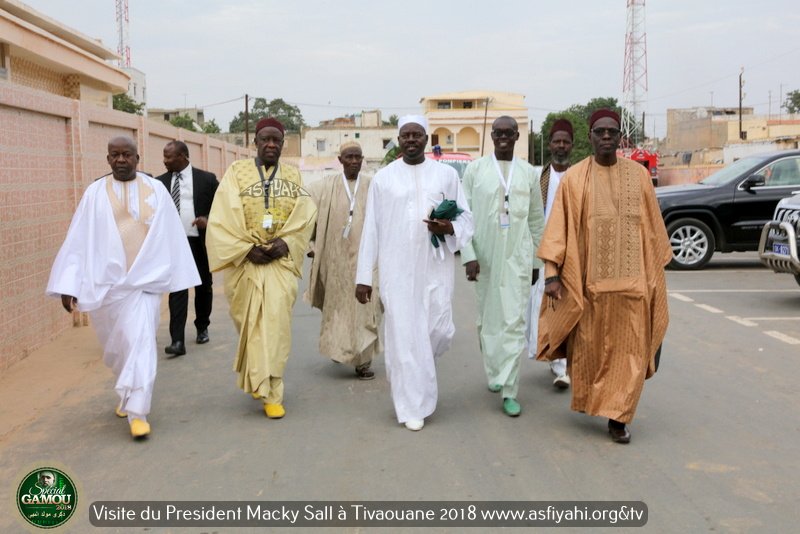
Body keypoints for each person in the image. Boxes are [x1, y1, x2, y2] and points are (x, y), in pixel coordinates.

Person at [47, 136, 200, 439]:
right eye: (114, 155)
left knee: (140, 342)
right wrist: (69, 283)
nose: (120, 160)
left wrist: (175, 276)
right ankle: (127, 392)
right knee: (117, 349)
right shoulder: (94, 194)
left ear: (137, 158)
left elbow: (171, 236)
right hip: (108, 287)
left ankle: (138, 412)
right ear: (107, 159)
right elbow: (78, 240)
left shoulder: (156, 190)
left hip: (144, 284)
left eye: (126, 154)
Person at [536, 109, 671, 444]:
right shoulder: (574, 179)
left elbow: (653, 232)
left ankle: (619, 418)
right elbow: (558, 230)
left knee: (630, 357)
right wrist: (552, 275)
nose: (607, 136)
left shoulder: (639, 177)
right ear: (591, 137)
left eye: (612, 131)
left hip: (633, 289)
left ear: (620, 136)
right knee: (591, 357)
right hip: (590, 290)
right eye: (600, 132)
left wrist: (654, 278)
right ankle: (597, 403)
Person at [355, 115, 474, 431]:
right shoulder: (383, 179)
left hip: (436, 267)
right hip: (397, 271)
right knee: (404, 336)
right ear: (399, 140)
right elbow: (371, 229)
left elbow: (466, 218)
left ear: (426, 139)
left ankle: (419, 374)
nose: (411, 139)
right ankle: (410, 406)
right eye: (405, 135)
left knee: (439, 329)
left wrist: (449, 227)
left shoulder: (446, 175)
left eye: (416, 134)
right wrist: (364, 277)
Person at [206, 117, 317, 419]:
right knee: (250, 327)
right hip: (245, 264)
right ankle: (258, 378)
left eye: (276, 140)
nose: (270, 145)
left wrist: (287, 242)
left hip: (280, 263)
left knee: (276, 329)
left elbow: (305, 216)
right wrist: (246, 249)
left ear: (282, 144)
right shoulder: (236, 172)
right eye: (265, 140)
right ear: (254, 142)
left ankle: (273, 392)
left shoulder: (293, 175)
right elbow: (221, 217)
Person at [461, 116, 545, 417]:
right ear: (492, 135)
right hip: (484, 256)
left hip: (518, 257)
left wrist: (536, 261)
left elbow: (536, 219)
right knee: (487, 321)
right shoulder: (475, 170)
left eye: (510, 133)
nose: (504, 137)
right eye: (499, 133)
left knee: (513, 322)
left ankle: (509, 387)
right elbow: (463, 216)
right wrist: (468, 255)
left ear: (518, 136)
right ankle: (495, 370)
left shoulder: (528, 173)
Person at [305, 141, 381, 379]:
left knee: (366, 309)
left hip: (366, 260)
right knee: (337, 309)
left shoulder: (373, 185)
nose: (354, 161)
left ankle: (363, 361)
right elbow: (305, 212)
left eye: (358, 157)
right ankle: (340, 349)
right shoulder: (325, 186)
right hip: (335, 259)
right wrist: (311, 245)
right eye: (349, 157)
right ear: (340, 160)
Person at [156, 140, 219, 357]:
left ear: (183, 156)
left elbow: (223, 208)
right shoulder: (159, 183)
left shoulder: (207, 180)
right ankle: (177, 340)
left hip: (198, 243)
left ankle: (202, 326)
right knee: (177, 289)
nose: (164, 161)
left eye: (169, 157)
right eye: (164, 156)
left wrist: (208, 219)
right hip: (174, 245)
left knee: (203, 286)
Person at [526, 118, 575, 389]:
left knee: (568, 308)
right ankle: (555, 358)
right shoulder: (537, 177)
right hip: (542, 251)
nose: (561, 146)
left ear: (572, 145)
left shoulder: (579, 176)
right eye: (557, 141)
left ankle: (563, 366)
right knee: (543, 307)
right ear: (550, 145)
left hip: (573, 252)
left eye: (566, 142)